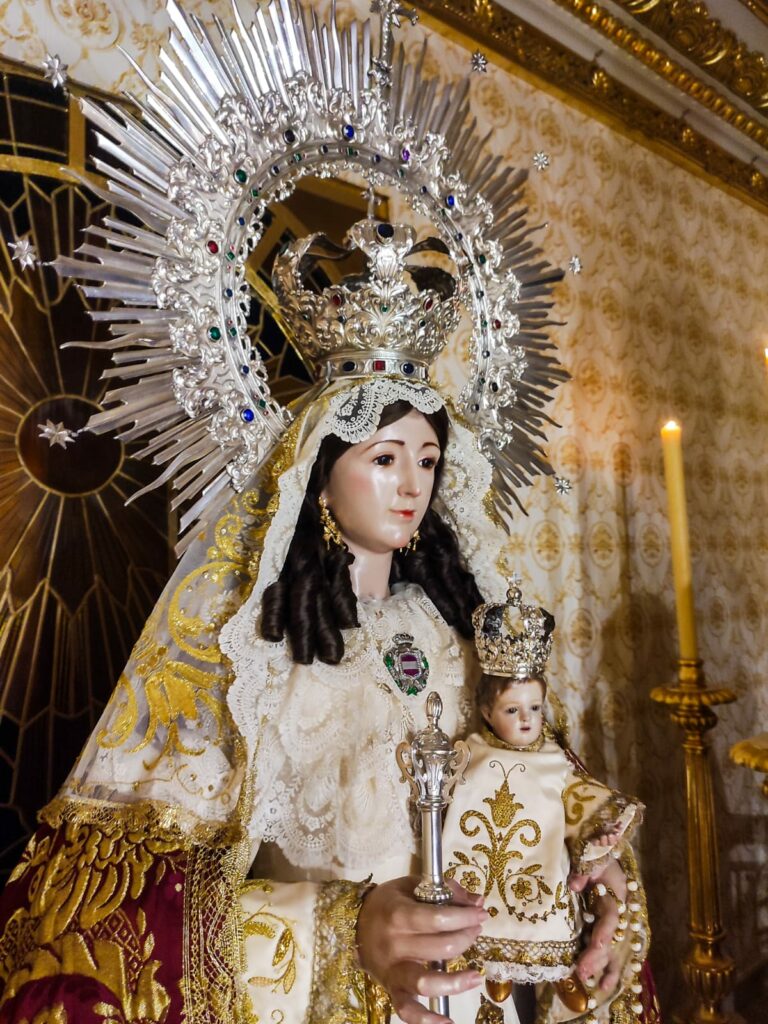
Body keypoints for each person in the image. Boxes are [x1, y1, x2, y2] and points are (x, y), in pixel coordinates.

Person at [0, 222, 651, 1024]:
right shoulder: (250, 651)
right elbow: (136, 911)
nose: (411, 482)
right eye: (383, 457)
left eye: (427, 458)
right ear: (319, 476)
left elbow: (528, 777)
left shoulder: (456, 631)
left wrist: (593, 864)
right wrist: (349, 930)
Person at [441, 584, 645, 1023]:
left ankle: (558, 971)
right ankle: (496, 969)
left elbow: (577, 795)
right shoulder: (473, 751)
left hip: (541, 865)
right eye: (513, 711)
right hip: (481, 870)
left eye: (534, 707)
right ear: (486, 712)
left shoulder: (552, 757)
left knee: (553, 909)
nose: (528, 719)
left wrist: (599, 834)